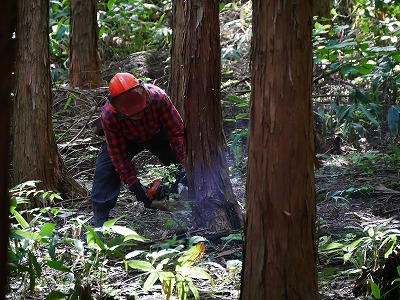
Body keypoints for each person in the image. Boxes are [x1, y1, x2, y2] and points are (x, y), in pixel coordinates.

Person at [91, 72, 185, 227]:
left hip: (158, 134)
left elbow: (177, 133)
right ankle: (100, 220)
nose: (138, 115)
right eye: (132, 113)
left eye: (141, 110)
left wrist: (184, 164)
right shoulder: (109, 116)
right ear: (116, 107)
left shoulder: (158, 98)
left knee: (181, 166)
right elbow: (119, 156)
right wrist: (135, 186)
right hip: (126, 140)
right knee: (105, 170)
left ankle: (183, 195)